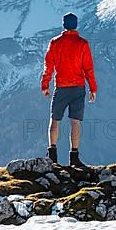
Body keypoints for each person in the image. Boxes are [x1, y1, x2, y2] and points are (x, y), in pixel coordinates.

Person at [40, 12, 97, 167]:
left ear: (63, 24)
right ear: (76, 24)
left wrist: (45, 84)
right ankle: (74, 157)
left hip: (61, 87)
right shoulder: (83, 44)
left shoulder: (55, 43)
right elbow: (88, 68)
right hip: (78, 87)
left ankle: (52, 155)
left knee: (55, 120)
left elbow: (48, 66)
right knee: (75, 122)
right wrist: (93, 88)